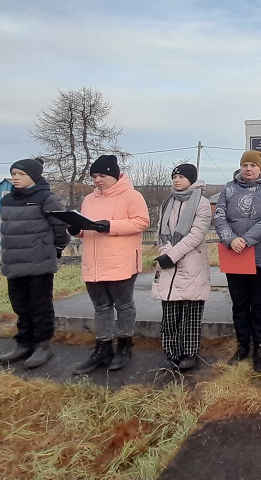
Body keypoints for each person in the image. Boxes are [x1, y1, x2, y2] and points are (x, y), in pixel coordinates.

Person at [69, 155, 150, 375]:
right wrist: (76, 229)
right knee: (101, 307)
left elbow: (142, 221)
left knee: (123, 305)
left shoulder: (131, 196)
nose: (97, 180)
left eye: (102, 175)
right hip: (94, 263)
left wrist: (110, 226)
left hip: (120, 261)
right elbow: (87, 227)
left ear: (114, 175)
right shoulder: (89, 200)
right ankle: (103, 348)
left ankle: (124, 346)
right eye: (94, 176)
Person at [214, 150, 261, 372]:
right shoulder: (229, 188)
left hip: (260, 254)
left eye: (253, 165)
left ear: (260, 168)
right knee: (240, 302)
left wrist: (247, 239)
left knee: (259, 302)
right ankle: (243, 346)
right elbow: (220, 216)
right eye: (245, 165)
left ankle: (259, 347)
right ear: (240, 167)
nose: (249, 169)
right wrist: (231, 239)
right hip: (234, 254)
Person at [0, 157, 70, 369]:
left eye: (21, 174)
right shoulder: (7, 200)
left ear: (34, 177)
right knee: (20, 305)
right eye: (13, 174)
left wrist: (56, 249)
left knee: (40, 305)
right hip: (14, 262)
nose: (15, 178)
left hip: (39, 262)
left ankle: (42, 346)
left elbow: (60, 227)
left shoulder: (47, 198)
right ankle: (23, 343)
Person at [152, 163, 212, 370]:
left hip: (192, 263)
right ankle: (171, 351)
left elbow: (196, 234)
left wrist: (173, 255)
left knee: (191, 313)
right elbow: (162, 232)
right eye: (174, 176)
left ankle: (189, 352)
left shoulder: (201, 203)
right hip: (169, 264)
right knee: (169, 313)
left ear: (192, 179)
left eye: (181, 177)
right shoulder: (168, 202)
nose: (176, 180)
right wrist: (164, 253)